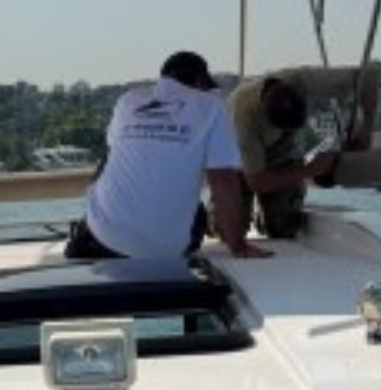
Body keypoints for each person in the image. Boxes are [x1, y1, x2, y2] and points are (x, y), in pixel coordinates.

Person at [65, 51, 269, 261]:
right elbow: (223, 180)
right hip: (165, 249)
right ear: (200, 81)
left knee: (109, 162)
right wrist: (238, 246)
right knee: (197, 212)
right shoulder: (212, 106)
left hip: (103, 237)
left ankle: (88, 234)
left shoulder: (129, 100)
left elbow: (109, 160)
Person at [229, 65, 379, 237]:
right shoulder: (243, 120)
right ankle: (221, 215)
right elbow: (257, 182)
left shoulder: (301, 80)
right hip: (236, 158)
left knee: (284, 227)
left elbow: (365, 79)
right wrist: (311, 170)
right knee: (231, 229)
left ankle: (269, 216)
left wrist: (366, 128)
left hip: (282, 150)